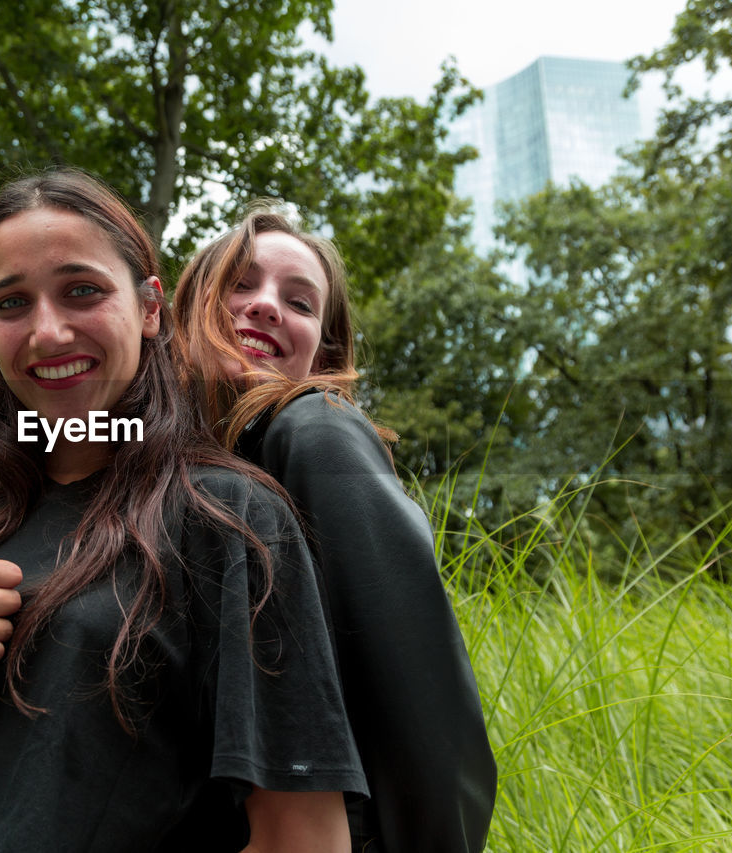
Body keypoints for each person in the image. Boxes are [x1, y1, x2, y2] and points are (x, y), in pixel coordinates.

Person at [0, 171, 367, 852]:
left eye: (82, 290)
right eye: (12, 302)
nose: (48, 331)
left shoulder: (228, 520)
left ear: (149, 308)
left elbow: (306, 837)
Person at [172, 206, 497, 852]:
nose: (265, 306)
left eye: (299, 301)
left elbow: (423, 710)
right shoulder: (164, 474)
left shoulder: (313, 432)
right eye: (241, 283)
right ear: (185, 305)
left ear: (322, 349)